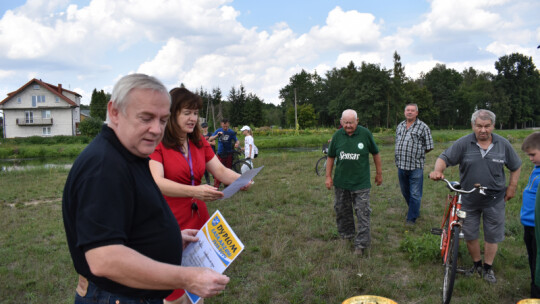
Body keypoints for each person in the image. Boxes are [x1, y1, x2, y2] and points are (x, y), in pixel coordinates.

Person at [62, 74, 229, 304]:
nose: (156, 129)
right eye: (146, 118)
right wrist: (187, 278)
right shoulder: (104, 166)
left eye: (162, 120)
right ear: (114, 112)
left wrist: (171, 238)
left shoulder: (128, 155)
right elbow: (105, 259)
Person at [149, 88, 249, 304]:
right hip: (172, 223)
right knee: (173, 293)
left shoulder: (199, 142)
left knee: (197, 291)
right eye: (187, 113)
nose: (193, 118)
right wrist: (196, 191)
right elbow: (157, 183)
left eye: (195, 113)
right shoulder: (158, 144)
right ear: (172, 113)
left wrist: (242, 179)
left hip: (199, 221)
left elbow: (221, 172)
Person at [429, 109, 521, 283]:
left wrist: (512, 187)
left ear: (493, 125)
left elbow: (515, 166)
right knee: (470, 233)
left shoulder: (503, 144)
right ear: (473, 125)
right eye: (479, 126)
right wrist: (437, 170)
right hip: (469, 197)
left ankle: (488, 268)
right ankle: (477, 264)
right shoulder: (464, 143)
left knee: (492, 233)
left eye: (487, 126)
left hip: (494, 198)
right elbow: (444, 157)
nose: (483, 130)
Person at [325, 109, 383, 256]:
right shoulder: (337, 136)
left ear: (357, 121)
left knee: (363, 213)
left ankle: (361, 245)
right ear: (341, 122)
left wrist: (379, 173)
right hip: (341, 183)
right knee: (342, 211)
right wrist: (328, 177)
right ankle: (346, 235)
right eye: (345, 123)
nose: (348, 125)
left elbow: (375, 153)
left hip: (361, 183)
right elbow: (331, 157)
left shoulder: (365, 134)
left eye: (351, 122)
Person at [395, 103, 434, 225]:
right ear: (404, 112)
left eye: (412, 110)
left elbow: (429, 146)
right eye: (407, 110)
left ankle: (411, 218)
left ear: (417, 113)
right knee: (405, 191)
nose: (410, 112)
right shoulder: (400, 126)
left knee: (415, 194)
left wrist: (418, 154)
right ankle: (414, 210)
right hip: (401, 165)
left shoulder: (423, 127)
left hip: (415, 166)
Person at [520, 132, 540, 297]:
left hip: (537, 227)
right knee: (532, 257)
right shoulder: (536, 169)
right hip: (529, 225)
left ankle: (536, 293)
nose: (530, 158)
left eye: (533, 154)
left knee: (537, 261)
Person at [209, 118, 239, 188]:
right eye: (224, 126)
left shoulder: (231, 132)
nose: (225, 128)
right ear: (221, 125)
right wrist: (217, 135)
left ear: (228, 125)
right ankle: (216, 186)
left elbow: (237, 140)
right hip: (220, 153)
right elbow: (210, 139)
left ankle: (227, 185)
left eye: (226, 126)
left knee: (228, 170)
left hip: (229, 153)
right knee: (218, 170)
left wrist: (236, 144)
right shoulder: (218, 131)